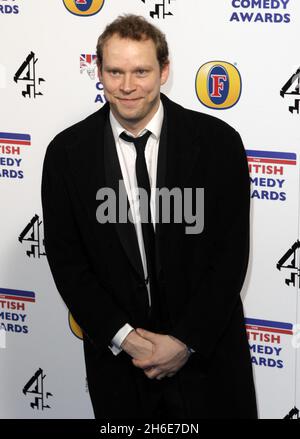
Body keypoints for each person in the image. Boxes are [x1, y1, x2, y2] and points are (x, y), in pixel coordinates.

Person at [41, 14, 257, 419]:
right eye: (115, 71)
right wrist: (127, 340)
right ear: (98, 71)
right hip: (121, 370)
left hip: (208, 364)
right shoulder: (66, 155)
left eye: (141, 70)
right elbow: (68, 263)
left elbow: (229, 257)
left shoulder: (218, 143)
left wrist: (184, 341)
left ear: (165, 70)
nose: (127, 86)